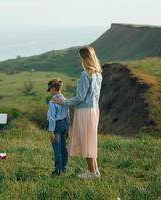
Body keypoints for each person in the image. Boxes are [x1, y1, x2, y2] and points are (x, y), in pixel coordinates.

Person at [54, 46, 102, 179]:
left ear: (84, 58)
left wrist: (64, 102)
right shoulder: (98, 74)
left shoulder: (85, 74)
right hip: (94, 110)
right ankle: (95, 171)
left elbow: (80, 97)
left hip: (84, 112)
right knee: (91, 140)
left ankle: (92, 172)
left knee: (86, 141)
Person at [46, 78, 70, 176]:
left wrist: (51, 132)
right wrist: (68, 128)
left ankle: (58, 170)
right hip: (64, 124)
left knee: (57, 149)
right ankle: (64, 168)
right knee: (63, 148)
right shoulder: (65, 100)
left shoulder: (53, 102)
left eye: (50, 89)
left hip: (56, 126)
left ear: (53, 88)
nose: (50, 91)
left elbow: (52, 118)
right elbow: (68, 114)